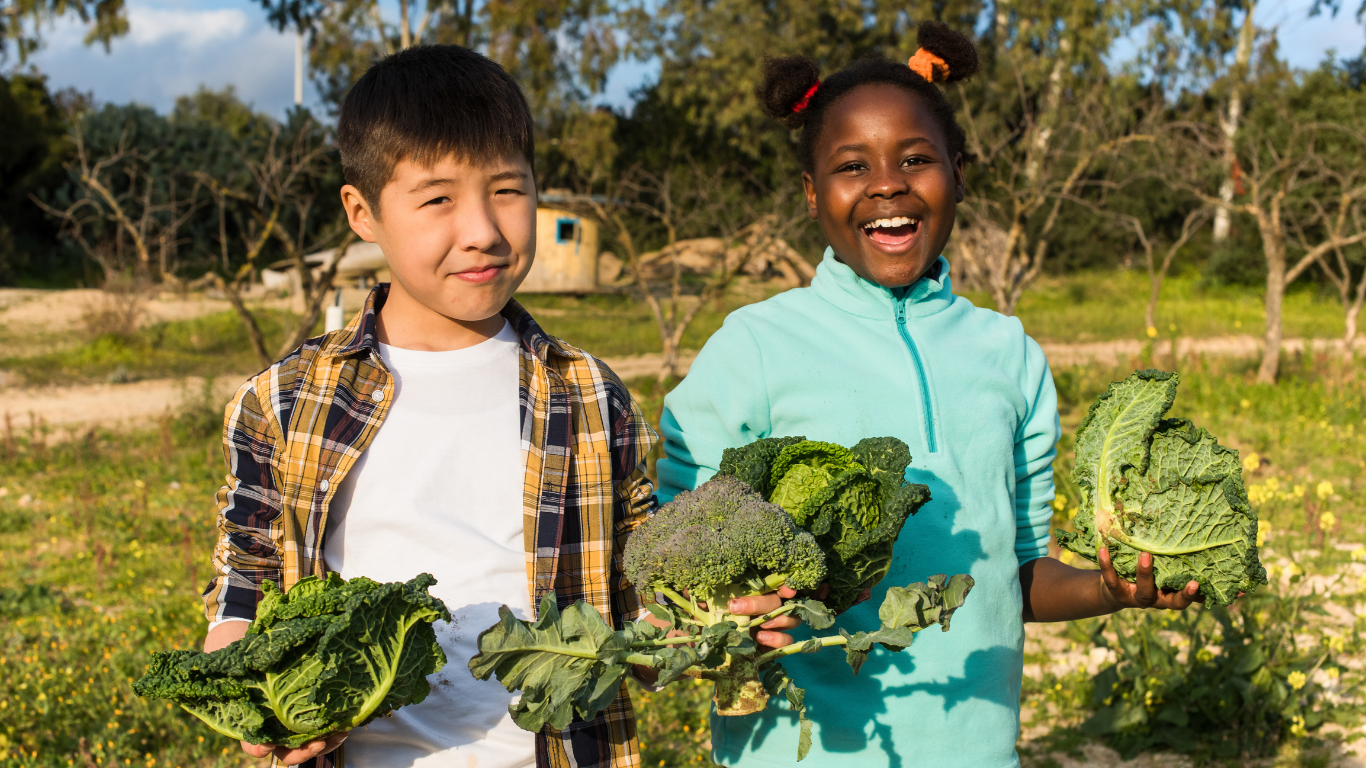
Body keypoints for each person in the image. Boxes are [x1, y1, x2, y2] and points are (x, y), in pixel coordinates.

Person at [198, 44, 798, 768]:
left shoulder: (589, 396)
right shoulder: (286, 400)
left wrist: (705, 624)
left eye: (508, 191)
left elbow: (638, 607)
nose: (482, 229)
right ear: (362, 212)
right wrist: (250, 695)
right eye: (437, 199)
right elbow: (246, 582)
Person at [654, 22, 1211, 768]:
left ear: (960, 171)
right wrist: (729, 610)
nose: (888, 183)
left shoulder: (1010, 355)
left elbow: (1019, 577)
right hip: (795, 753)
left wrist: (1111, 591)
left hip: (977, 750)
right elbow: (673, 554)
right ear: (812, 193)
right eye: (853, 166)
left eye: (915, 159)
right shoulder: (753, 348)